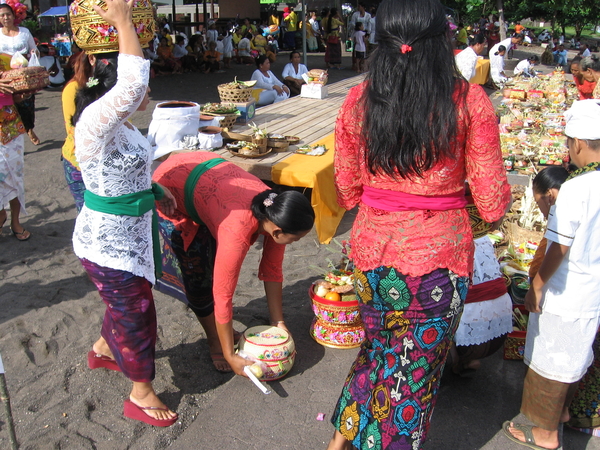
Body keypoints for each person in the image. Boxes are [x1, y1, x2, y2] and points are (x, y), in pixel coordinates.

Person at [327, 1, 511, 448]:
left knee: (376, 356)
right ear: (443, 41)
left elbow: (347, 190)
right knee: (410, 382)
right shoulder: (470, 101)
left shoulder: (357, 100)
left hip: (371, 253)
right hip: (439, 264)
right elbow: (492, 204)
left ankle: (341, 441)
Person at [72, 0, 178, 427]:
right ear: (110, 91)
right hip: (106, 240)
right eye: (136, 90)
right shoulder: (94, 120)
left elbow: (123, 171)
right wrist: (123, 23)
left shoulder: (124, 127)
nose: (146, 92)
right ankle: (140, 393)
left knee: (123, 301)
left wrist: (154, 188)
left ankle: (102, 350)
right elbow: (133, 85)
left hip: (131, 231)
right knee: (136, 310)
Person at [152, 152, 314, 374]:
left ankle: (222, 334)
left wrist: (279, 324)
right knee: (198, 275)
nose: (294, 242)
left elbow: (272, 269)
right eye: (295, 238)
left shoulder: (275, 213)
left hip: (207, 179)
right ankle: (215, 341)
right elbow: (223, 294)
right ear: (277, 232)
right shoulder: (236, 232)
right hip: (171, 186)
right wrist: (230, 355)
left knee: (211, 255)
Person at [503, 100, 600, 450]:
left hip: (565, 290)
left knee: (552, 362)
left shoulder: (578, 187)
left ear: (577, 143)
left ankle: (544, 433)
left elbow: (558, 247)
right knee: (574, 356)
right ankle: (559, 415)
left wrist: (538, 287)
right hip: (591, 291)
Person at [0, 3, 39, 146]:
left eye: (8, 14)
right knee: (12, 106)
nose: (5, 18)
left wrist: (33, 56)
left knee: (27, 103)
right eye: (2, 15)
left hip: (24, 75)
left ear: (14, 15)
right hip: (6, 76)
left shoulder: (24, 32)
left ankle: (29, 128)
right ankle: (18, 133)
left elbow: (34, 50)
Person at [0, 53, 28, 240]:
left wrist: (21, 95)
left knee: (15, 177)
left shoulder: (6, 60)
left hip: (10, 131)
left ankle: (15, 221)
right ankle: (1, 214)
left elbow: (14, 97)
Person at [61, 51, 94, 212]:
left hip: (105, 162)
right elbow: (73, 129)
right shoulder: (73, 88)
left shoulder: (113, 88)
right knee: (86, 213)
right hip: (79, 160)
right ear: (92, 60)